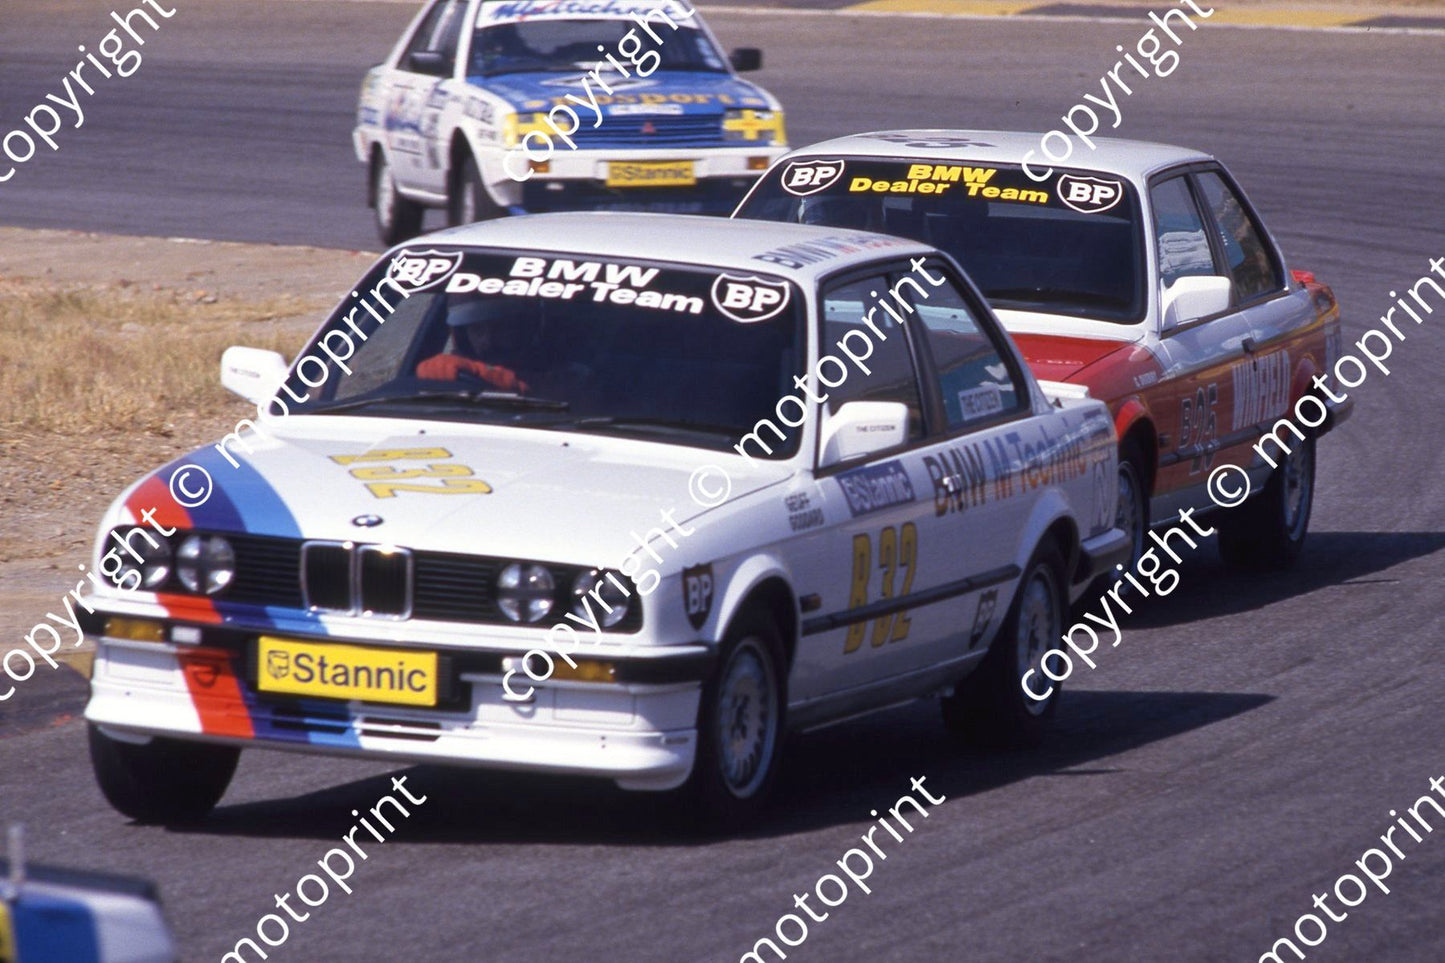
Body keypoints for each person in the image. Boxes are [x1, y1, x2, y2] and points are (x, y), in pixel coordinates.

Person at [415, 297, 531, 392]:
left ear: (520, 327)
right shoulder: (458, 367)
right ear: (463, 334)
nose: (488, 339)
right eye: (477, 329)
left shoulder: (544, 366)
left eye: (500, 327)